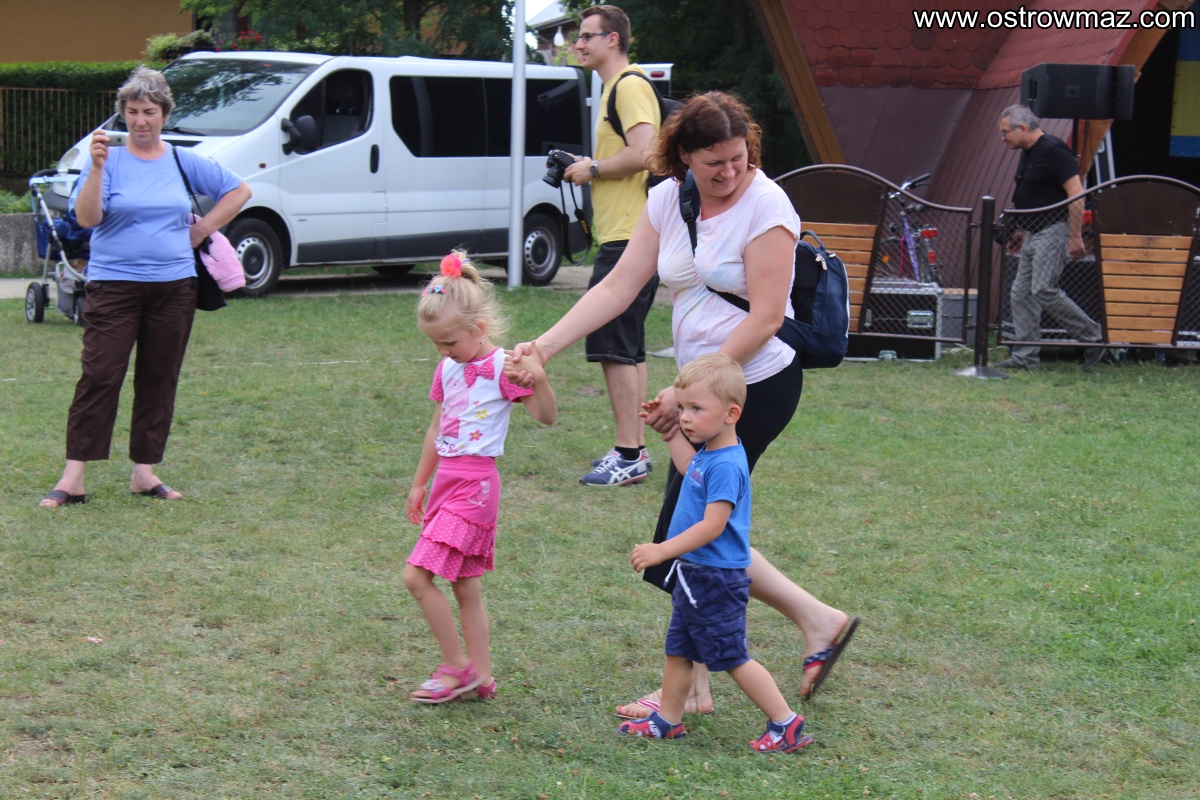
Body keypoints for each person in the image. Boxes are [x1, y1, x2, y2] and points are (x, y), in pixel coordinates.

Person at [509, 91, 858, 717]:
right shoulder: (668, 199)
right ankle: (814, 622)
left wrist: (688, 389)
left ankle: (695, 688)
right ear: (683, 157)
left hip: (752, 388)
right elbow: (619, 285)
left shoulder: (767, 205)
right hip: (699, 391)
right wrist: (545, 346)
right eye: (713, 162)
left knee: (688, 532)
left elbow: (766, 317)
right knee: (695, 530)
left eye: (739, 157)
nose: (730, 172)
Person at [39, 67, 251, 508]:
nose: (140, 121)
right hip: (113, 287)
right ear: (123, 114)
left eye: (149, 112)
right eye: (132, 111)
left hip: (174, 288)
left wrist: (202, 230)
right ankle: (73, 477)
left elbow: (239, 191)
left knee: (159, 378)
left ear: (164, 115)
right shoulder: (106, 159)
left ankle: (144, 472)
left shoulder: (181, 160)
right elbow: (87, 219)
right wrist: (97, 169)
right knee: (100, 376)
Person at [619, 354, 813, 753]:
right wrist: (669, 432)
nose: (685, 417)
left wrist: (661, 550)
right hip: (696, 574)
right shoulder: (711, 453)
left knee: (732, 657)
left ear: (731, 413)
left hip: (715, 577)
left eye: (696, 408)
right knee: (679, 650)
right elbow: (689, 468)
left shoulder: (727, 464)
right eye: (682, 408)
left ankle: (786, 724)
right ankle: (668, 720)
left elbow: (713, 526)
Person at [404, 252, 557, 703]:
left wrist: (539, 380)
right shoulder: (447, 368)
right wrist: (420, 482)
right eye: (437, 344)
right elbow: (438, 427)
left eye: (449, 342)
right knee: (464, 584)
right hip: (445, 483)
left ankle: (456, 668)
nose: (444, 351)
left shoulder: (502, 367)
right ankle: (482, 677)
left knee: (416, 578)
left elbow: (546, 416)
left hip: (475, 488)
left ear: (479, 329)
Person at [563, 4, 662, 487]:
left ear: (613, 40)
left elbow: (646, 153)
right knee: (627, 346)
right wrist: (590, 164)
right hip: (628, 232)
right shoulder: (613, 89)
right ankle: (634, 450)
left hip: (631, 235)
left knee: (610, 341)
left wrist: (594, 168)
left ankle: (628, 454)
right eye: (578, 37)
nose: (578, 44)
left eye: (587, 36)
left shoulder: (628, 86)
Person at [995, 105, 1105, 372]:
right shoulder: (1028, 152)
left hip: (1054, 230)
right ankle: (1025, 358)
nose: (1002, 138)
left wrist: (1075, 236)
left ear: (1022, 128)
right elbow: (1031, 195)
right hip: (1033, 232)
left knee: (1043, 289)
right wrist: (1019, 229)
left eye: (1005, 132)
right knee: (1020, 293)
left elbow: (1076, 194)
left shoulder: (1054, 151)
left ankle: (1095, 338)